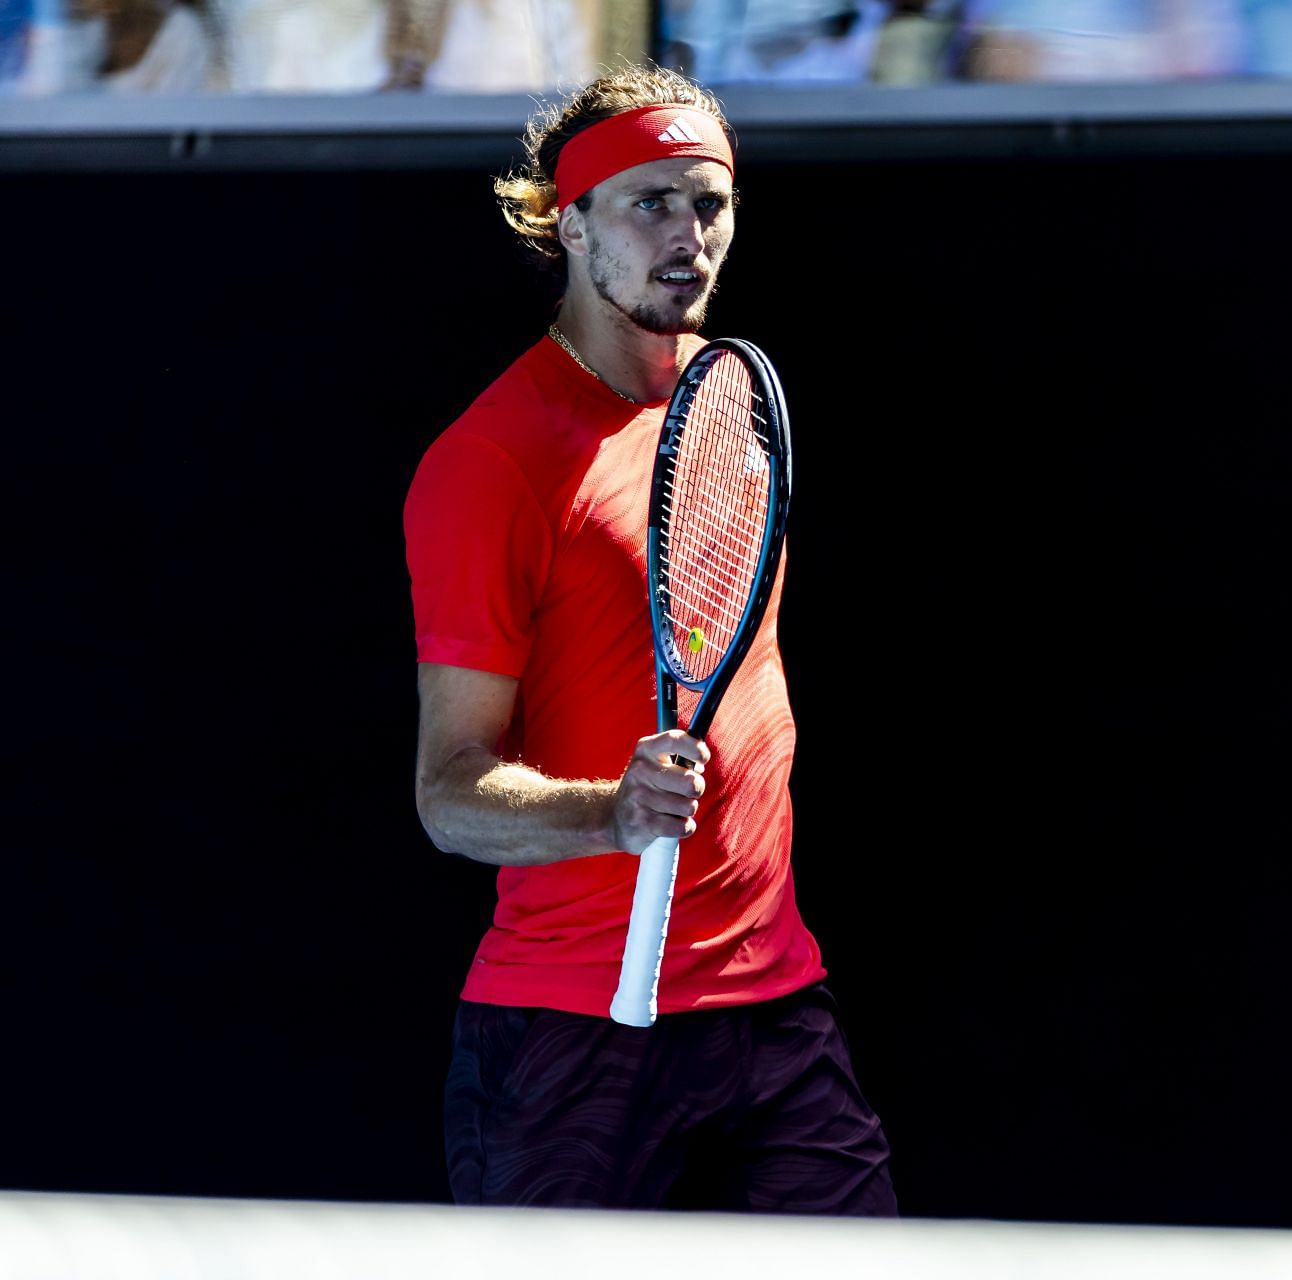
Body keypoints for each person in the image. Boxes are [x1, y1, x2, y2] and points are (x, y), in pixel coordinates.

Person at [402, 65, 897, 1215]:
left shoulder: (724, 413)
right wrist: (609, 812)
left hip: (775, 1011)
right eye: (650, 203)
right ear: (570, 224)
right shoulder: (491, 464)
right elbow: (448, 790)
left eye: (709, 203)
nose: (690, 235)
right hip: (572, 1036)